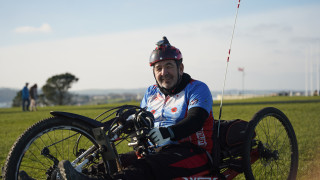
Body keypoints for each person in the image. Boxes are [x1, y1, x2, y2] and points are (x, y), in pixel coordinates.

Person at [57, 37, 214, 180]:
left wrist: (168, 133)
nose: (164, 73)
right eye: (158, 68)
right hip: (155, 151)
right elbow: (142, 120)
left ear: (181, 68)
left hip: (192, 152)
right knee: (114, 163)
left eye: (169, 66)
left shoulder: (197, 88)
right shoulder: (151, 92)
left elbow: (196, 120)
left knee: (143, 168)